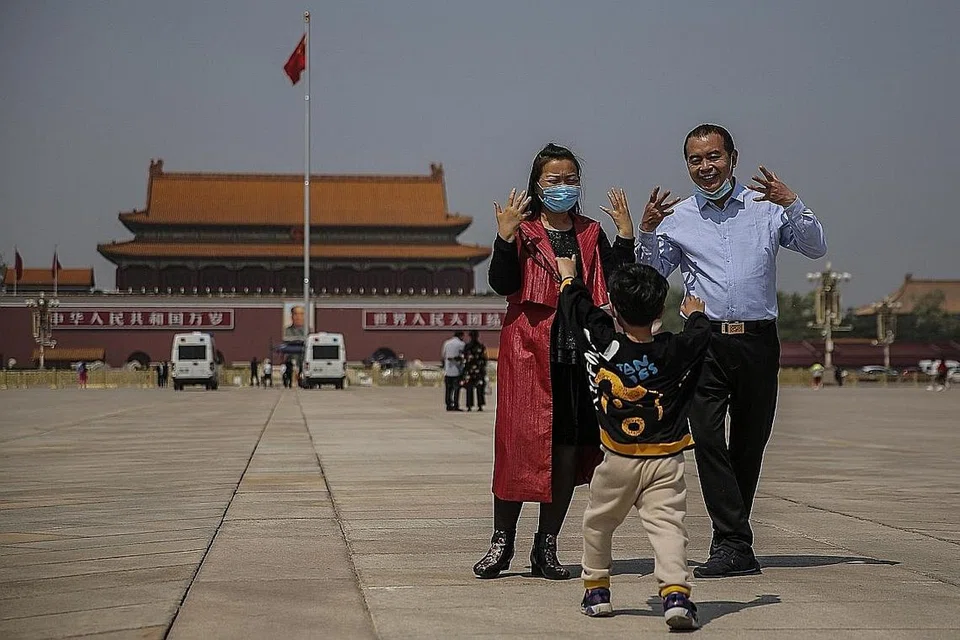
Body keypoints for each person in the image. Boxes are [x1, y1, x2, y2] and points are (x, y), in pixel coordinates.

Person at [638, 124, 827, 578]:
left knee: (749, 441)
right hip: (706, 341)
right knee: (705, 436)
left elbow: (815, 247)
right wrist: (646, 232)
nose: (706, 167)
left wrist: (792, 203)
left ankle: (732, 544)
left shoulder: (766, 207)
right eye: (695, 160)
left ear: (732, 158)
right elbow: (651, 276)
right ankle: (734, 540)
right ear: (687, 164)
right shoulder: (678, 217)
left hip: (758, 341)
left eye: (714, 157)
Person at [473, 143, 635, 580]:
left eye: (570, 179)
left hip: (575, 357)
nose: (563, 187)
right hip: (528, 352)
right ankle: (501, 541)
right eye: (554, 180)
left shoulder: (590, 232)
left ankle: (546, 545)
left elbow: (618, 286)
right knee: (516, 446)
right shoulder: (524, 231)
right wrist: (504, 238)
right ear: (537, 184)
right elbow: (502, 282)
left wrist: (625, 237)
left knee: (566, 450)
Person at [557, 257, 708, 629]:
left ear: (615, 310)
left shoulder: (603, 343)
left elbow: (579, 311)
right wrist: (694, 314)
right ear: (659, 311)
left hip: (617, 459)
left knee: (598, 523)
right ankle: (676, 595)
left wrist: (568, 278)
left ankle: (597, 591)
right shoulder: (674, 350)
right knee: (668, 527)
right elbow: (700, 335)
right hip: (666, 460)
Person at [462, 330, 488, 412]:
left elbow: (464, 358)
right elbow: (484, 359)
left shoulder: (468, 347)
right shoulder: (480, 346)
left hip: (471, 370)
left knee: (472, 388)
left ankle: (471, 405)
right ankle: (479, 405)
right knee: (478, 388)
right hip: (477, 370)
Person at [441, 331, 466, 411]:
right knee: (456, 389)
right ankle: (455, 405)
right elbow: (463, 356)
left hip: (447, 370)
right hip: (456, 370)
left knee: (448, 389)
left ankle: (448, 405)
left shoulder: (447, 343)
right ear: (461, 336)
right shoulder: (461, 344)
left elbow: (443, 355)